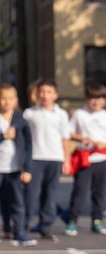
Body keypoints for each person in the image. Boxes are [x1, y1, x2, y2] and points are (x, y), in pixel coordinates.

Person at [65, 83, 106, 236]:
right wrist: (82, 138)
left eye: (99, 99)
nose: (95, 102)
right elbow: (69, 133)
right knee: (79, 192)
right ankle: (72, 221)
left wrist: (104, 144)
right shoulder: (79, 114)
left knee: (100, 193)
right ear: (87, 99)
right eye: (92, 98)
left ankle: (97, 221)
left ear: (104, 100)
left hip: (102, 158)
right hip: (84, 158)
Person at [22, 79, 70, 242]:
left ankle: (46, 226)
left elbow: (65, 138)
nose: (44, 95)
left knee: (50, 194)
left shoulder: (61, 114)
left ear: (55, 95)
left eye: (48, 92)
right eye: (42, 92)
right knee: (31, 194)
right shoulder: (29, 113)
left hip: (55, 158)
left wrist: (67, 160)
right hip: (34, 158)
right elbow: (23, 138)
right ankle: (23, 224)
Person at [0, 82, 35, 246]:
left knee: (17, 201)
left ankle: (19, 231)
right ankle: (6, 227)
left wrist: (27, 169)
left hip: (14, 168)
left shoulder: (20, 118)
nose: (6, 102)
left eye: (10, 98)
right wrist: (3, 137)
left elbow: (28, 145)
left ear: (16, 100)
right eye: (2, 98)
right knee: (3, 202)